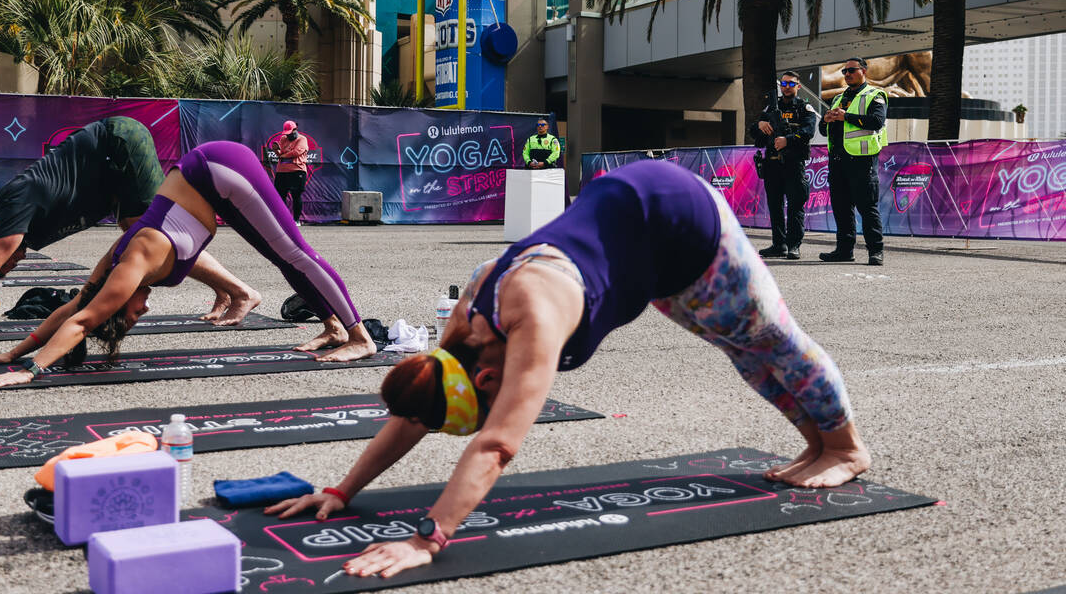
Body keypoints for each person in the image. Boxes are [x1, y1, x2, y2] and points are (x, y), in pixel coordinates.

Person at [267, 160, 871, 580]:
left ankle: (844, 448)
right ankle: (814, 444)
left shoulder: (531, 313)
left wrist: (429, 538)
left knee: (769, 339)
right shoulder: (459, 336)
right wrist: (343, 490)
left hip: (678, 217)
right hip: (640, 247)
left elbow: (498, 444)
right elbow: (412, 411)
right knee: (740, 350)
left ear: (484, 381)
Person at [0, 140, 374, 387]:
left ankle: (359, 336)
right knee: (281, 258)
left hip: (219, 170)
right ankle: (333, 326)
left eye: (130, 317)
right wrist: (12, 353)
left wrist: (29, 372)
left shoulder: (129, 268)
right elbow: (73, 308)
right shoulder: (110, 267)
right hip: (209, 185)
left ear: (119, 301)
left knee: (295, 253)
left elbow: (83, 322)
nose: (141, 312)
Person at [0, 117, 259, 343]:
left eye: (9, 264)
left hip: (118, 145)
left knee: (151, 237)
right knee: (143, 236)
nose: (10, 267)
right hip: (107, 175)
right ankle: (226, 291)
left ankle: (240, 292)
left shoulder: (11, 217)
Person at [818, 58, 888, 266]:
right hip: (838, 162)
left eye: (851, 70)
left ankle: (875, 251)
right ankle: (844, 250)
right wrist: (826, 120)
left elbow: (877, 121)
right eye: (844, 71)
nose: (847, 74)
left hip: (861, 161)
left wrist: (845, 116)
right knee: (841, 208)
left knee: (867, 208)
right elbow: (824, 130)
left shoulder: (875, 95)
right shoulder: (838, 98)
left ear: (864, 71)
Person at [749, 71, 817, 259]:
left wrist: (788, 140)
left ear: (798, 86)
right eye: (784, 83)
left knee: (795, 205)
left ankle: (793, 245)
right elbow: (753, 131)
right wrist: (761, 125)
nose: (786, 87)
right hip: (772, 165)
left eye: (790, 84)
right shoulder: (771, 106)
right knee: (775, 206)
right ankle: (779, 245)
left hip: (793, 164)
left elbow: (809, 131)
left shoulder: (805, 107)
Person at [273, 120, 309, 226]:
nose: (288, 135)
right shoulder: (283, 138)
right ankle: (283, 220)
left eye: (290, 132)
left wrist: (282, 156)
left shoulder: (302, 139)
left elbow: (297, 152)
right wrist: (276, 151)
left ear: (295, 129)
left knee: (296, 195)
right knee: (280, 196)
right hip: (282, 171)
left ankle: (296, 220)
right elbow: (280, 153)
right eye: (286, 133)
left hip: (297, 171)